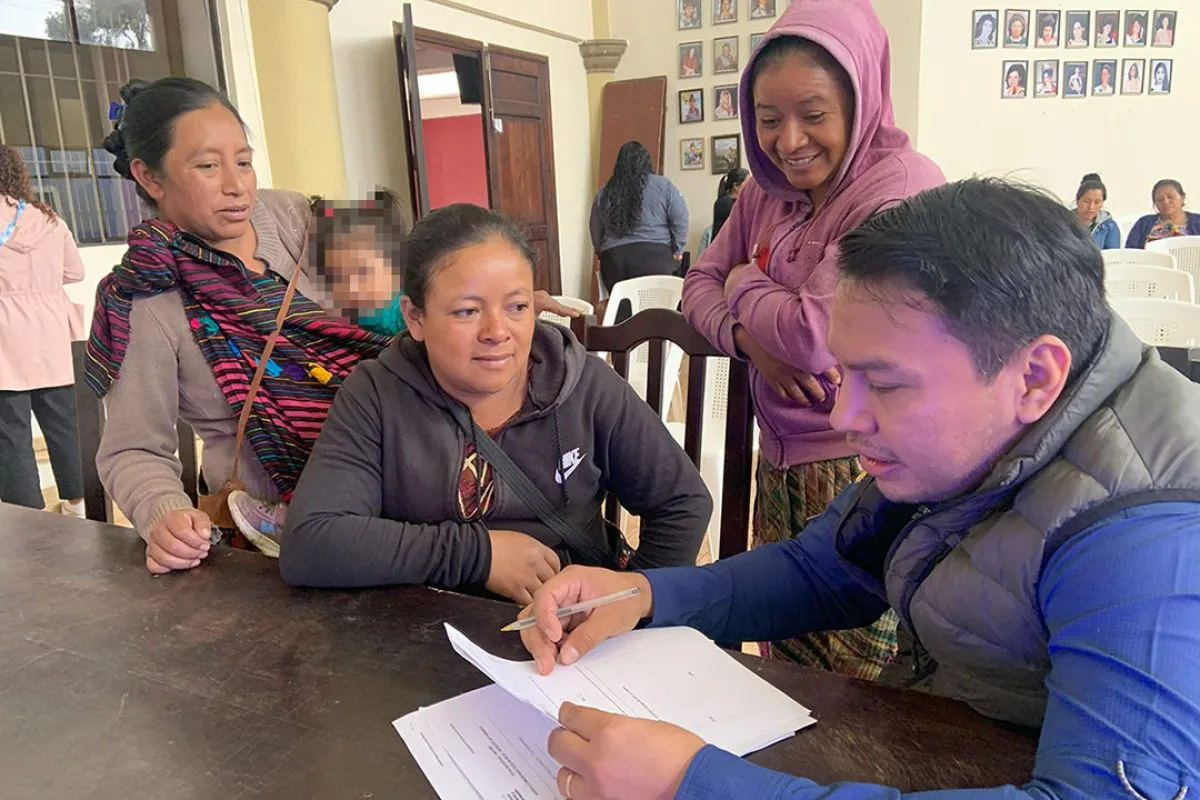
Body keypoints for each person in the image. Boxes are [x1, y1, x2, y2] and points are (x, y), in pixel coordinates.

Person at [520, 178, 1200, 800]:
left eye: (888, 383)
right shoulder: (974, 442)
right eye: (845, 374)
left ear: (1034, 377)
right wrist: (644, 595)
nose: (845, 417)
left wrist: (692, 786)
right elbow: (826, 568)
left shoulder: (1149, 536)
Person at [682, 0, 945, 680]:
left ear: (861, 100)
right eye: (768, 120)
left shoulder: (900, 191)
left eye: (814, 115)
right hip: (783, 458)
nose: (788, 140)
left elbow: (814, 336)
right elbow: (694, 287)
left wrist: (742, 280)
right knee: (789, 661)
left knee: (866, 676)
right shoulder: (762, 194)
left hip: (869, 464)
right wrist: (748, 338)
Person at [280, 204, 711, 602]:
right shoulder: (376, 395)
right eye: (467, 312)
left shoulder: (584, 387)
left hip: (566, 650)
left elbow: (683, 503)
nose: (498, 331)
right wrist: (477, 554)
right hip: (420, 645)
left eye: (518, 306)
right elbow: (312, 542)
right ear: (416, 317)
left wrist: (627, 607)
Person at [86, 77, 392, 574]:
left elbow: (403, 303)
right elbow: (132, 449)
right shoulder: (145, 296)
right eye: (208, 166)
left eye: (244, 162)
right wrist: (165, 515)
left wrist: (479, 300)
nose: (237, 185)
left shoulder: (298, 214)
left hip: (395, 485)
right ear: (150, 177)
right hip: (274, 537)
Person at [226, 193, 582, 545]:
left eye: (363, 272)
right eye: (335, 277)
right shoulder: (339, 324)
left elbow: (476, 303)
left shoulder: (404, 315)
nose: (352, 288)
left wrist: (524, 301)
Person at [0, 145, 86, 517]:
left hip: (5, 335)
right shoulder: (49, 219)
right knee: (66, 424)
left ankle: (29, 515)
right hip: (52, 332)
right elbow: (76, 273)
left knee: (11, 432)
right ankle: (79, 505)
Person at [590, 141, 688, 293]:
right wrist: (678, 249)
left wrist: (601, 252)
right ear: (647, 161)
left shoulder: (605, 191)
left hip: (614, 260)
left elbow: (595, 228)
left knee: (623, 310)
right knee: (655, 311)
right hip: (656, 259)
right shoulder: (664, 185)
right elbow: (680, 218)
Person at [1126, 179, 1200, 248]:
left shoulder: (1197, 222)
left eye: (1170, 197)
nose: (1166, 202)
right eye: (1160, 199)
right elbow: (1130, 253)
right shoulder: (1143, 223)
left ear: (1182, 198)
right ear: (1155, 204)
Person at [1074, 173, 1120, 250]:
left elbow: (1113, 257)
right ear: (1077, 200)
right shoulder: (1064, 222)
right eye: (1086, 201)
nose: (1091, 207)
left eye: (1097, 202)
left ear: (1102, 203)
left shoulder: (1109, 226)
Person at [711, 167, 748, 241]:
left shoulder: (740, 202)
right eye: (747, 182)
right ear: (736, 186)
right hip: (724, 247)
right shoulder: (725, 204)